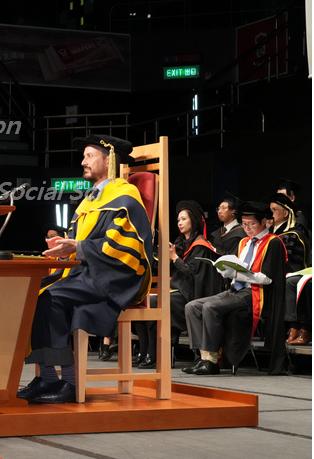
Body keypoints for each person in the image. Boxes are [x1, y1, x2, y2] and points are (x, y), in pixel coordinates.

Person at [18, 135, 153, 404]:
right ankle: (48, 378)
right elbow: (78, 241)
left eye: (89, 156)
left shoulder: (125, 196)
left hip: (115, 275)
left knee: (50, 297)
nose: (83, 162)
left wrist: (78, 248)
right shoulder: (91, 200)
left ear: (109, 160)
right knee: (31, 294)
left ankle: (69, 382)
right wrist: (63, 247)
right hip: (89, 271)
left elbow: (122, 246)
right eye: (84, 156)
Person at [183, 201, 287, 375]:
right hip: (234, 290)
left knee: (210, 307)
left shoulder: (273, 242)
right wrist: (226, 271)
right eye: (244, 224)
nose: (247, 228)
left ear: (264, 222)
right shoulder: (244, 242)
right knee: (192, 307)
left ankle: (211, 361)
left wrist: (237, 274)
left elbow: (267, 278)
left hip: (254, 293)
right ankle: (203, 357)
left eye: (251, 224)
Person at [136, 200, 224, 369]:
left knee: (154, 303)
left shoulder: (201, 246)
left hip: (191, 294)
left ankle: (156, 354)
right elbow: (168, 270)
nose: (180, 223)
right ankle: (145, 351)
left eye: (184, 219)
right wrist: (165, 257)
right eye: (178, 220)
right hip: (177, 290)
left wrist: (175, 258)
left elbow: (192, 274)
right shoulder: (180, 242)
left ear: (193, 220)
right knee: (143, 301)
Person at [266, 193, 312, 345]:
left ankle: (294, 326)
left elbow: (291, 263)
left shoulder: (292, 235)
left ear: (285, 213)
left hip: (292, 274)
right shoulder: (271, 234)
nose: (270, 214)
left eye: (274, 210)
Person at [209, 191, 247, 255]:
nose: (219, 211)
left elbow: (235, 256)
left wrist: (215, 250)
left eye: (223, 208)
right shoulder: (218, 233)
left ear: (233, 212)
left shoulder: (240, 233)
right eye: (218, 209)